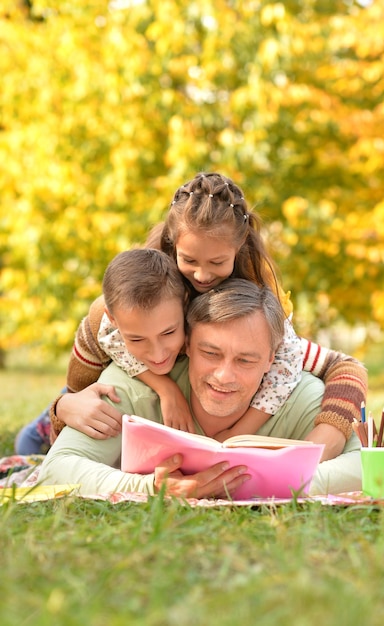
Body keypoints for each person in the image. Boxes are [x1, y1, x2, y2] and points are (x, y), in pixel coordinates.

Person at [17, 172, 365, 456]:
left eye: (217, 263)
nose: (201, 275)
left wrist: (328, 429)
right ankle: (43, 429)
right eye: (189, 261)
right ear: (172, 245)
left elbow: (342, 366)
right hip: (96, 389)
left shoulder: (251, 314)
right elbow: (94, 346)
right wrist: (67, 405)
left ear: (238, 249)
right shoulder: (146, 295)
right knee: (33, 443)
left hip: (143, 417)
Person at [38, 278, 362, 498]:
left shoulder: (303, 393)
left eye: (246, 360)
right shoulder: (128, 384)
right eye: (210, 353)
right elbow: (54, 469)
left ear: (273, 361)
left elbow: (372, 468)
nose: (223, 376)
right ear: (187, 344)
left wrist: (261, 483)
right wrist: (153, 487)